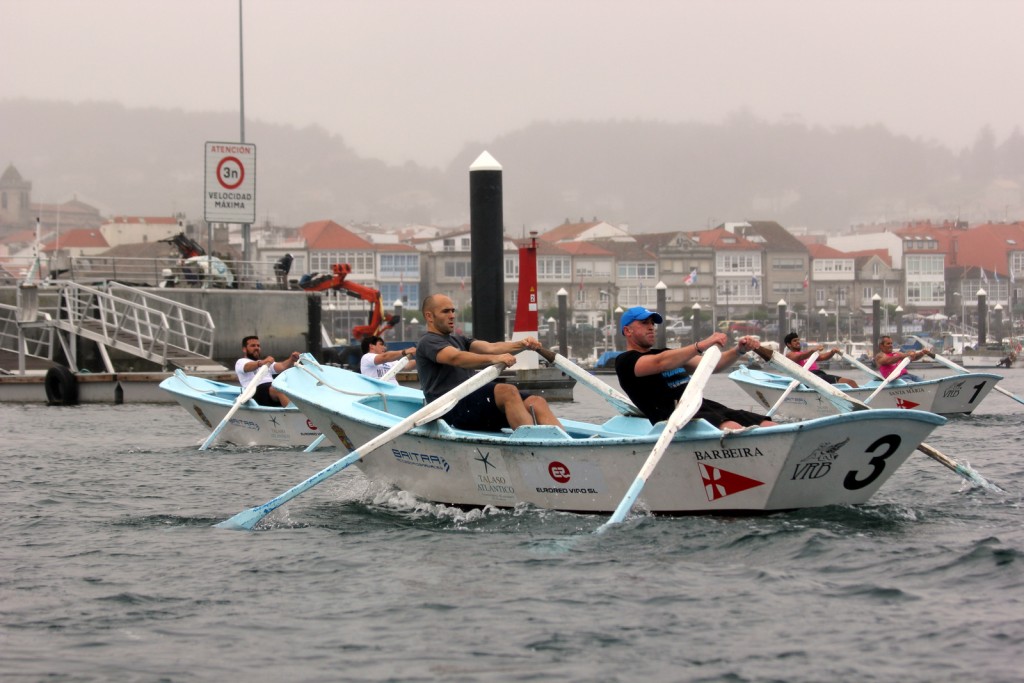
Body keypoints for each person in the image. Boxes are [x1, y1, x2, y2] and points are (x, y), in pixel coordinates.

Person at [416, 293, 563, 431]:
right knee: (507, 391)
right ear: (429, 316)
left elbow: (491, 348)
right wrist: (495, 359)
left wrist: (523, 344)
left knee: (537, 402)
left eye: (453, 311)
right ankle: (529, 441)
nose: (452, 315)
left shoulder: (459, 340)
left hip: (474, 405)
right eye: (445, 311)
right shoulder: (427, 342)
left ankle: (564, 444)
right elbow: (456, 358)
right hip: (450, 409)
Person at [615, 306, 776, 429]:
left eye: (652, 323)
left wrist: (739, 350)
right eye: (644, 323)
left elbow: (712, 365)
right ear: (627, 331)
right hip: (674, 420)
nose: (651, 327)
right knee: (733, 427)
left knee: (769, 425)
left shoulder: (667, 354)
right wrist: (701, 345)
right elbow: (660, 363)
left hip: (704, 407)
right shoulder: (626, 361)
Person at [234, 335, 301, 407]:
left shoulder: (266, 362)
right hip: (254, 392)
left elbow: (282, 366)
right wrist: (261, 363)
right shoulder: (241, 362)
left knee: (292, 387)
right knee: (278, 390)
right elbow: (247, 367)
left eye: (258, 346)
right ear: (244, 349)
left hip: (270, 389)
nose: (256, 348)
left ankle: (299, 409)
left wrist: (292, 359)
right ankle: (292, 411)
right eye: (253, 346)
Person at [783, 332, 859, 387]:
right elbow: (800, 357)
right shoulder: (790, 355)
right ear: (789, 344)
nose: (798, 342)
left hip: (820, 375)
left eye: (798, 340)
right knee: (848, 383)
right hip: (808, 377)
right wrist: (813, 350)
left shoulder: (807, 353)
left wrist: (832, 352)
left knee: (851, 382)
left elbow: (823, 357)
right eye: (794, 341)